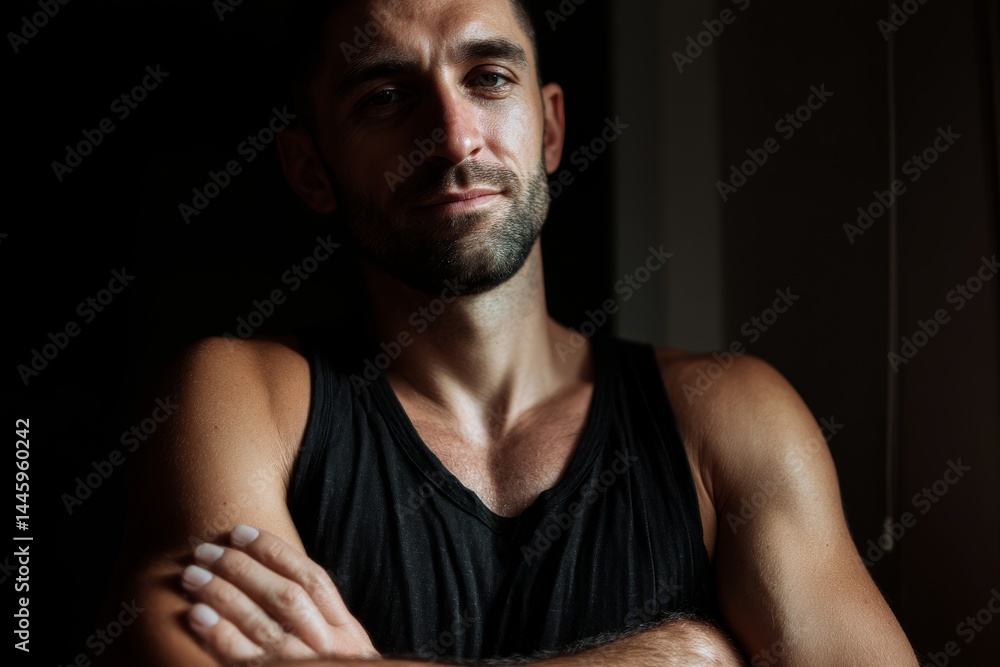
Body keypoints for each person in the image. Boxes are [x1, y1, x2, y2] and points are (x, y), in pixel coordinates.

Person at [103, 0, 918, 664]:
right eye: (385, 98)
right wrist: (681, 656)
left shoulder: (730, 411)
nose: (454, 137)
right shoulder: (240, 396)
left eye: (489, 78)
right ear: (312, 170)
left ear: (552, 128)